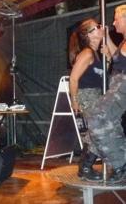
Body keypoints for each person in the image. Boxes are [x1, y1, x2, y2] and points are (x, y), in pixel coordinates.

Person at [85, 4, 126, 182]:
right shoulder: (124, 41)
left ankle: (120, 164)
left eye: (116, 18)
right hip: (117, 84)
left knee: (98, 117)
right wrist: (107, 36)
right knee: (104, 120)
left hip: (123, 85)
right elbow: (117, 55)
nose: (113, 22)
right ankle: (85, 164)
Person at [69, 18, 104, 181]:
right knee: (97, 134)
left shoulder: (96, 52)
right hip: (87, 96)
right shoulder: (87, 53)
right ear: (89, 35)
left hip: (97, 95)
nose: (101, 27)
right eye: (97, 27)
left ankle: (84, 167)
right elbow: (73, 78)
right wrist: (75, 101)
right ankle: (85, 167)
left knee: (96, 134)